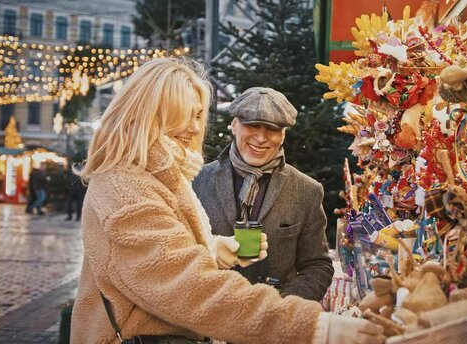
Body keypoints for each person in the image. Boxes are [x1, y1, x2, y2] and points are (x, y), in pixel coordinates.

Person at [70, 57, 385, 344]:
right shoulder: (127, 185)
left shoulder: (161, 175)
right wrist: (308, 325)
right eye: (188, 114)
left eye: (199, 116)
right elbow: (184, 285)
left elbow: (159, 260)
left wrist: (215, 249)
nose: (195, 127)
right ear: (155, 112)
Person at [193, 87, 334, 301]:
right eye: (252, 125)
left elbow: (317, 266)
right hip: (207, 317)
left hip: (273, 324)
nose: (260, 138)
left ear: (283, 135)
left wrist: (278, 307)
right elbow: (179, 254)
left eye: (272, 129)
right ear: (234, 126)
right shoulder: (196, 180)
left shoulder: (307, 190)